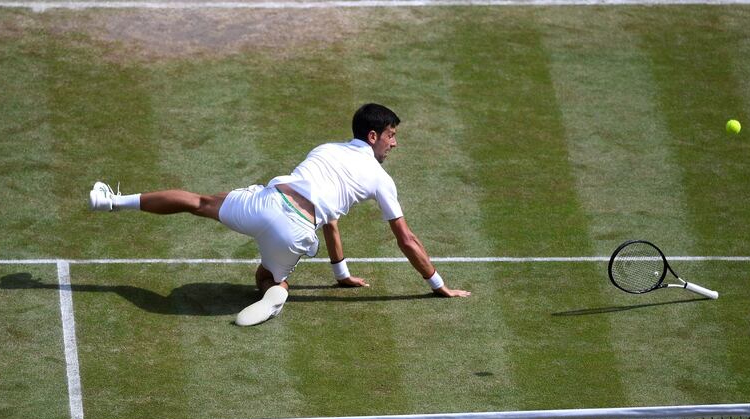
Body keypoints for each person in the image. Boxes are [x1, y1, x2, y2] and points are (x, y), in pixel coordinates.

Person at [89, 103, 471, 326]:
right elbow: (406, 239)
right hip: (294, 228)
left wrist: (342, 273)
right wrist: (438, 285)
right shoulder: (379, 179)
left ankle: (111, 201)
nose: (395, 142)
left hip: (267, 203)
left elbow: (333, 223)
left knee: (199, 201)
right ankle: (276, 291)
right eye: (391, 135)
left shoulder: (325, 149)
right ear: (373, 137)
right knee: (267, 276)